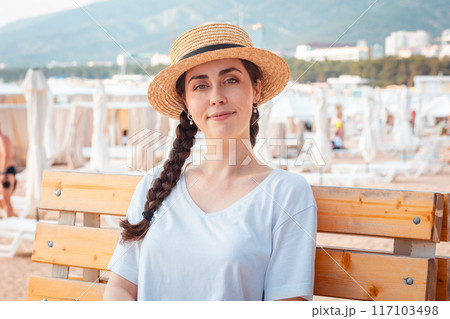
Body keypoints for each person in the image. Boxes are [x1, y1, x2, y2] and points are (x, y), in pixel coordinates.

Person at [104, 23, 317, 301]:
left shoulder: (287, 194)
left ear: (256, 90)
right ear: (187, 104)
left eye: (231, 80)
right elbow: (120, 288)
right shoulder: (154, 184)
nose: (216, 97)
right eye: (200, 86)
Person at [0, 125, 17, 218]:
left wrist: (3, 174)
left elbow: (6, 156)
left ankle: (12, 221)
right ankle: (13, 217)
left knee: (7, 201)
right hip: (4, 172)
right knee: (5, 201)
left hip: (6, 173)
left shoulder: (3, 139)